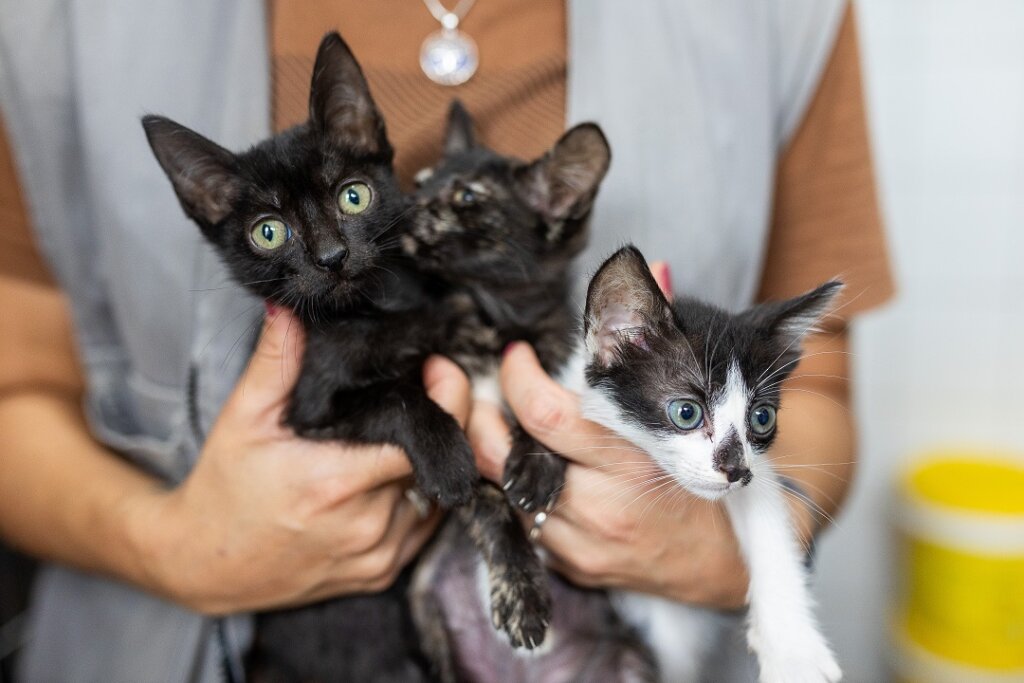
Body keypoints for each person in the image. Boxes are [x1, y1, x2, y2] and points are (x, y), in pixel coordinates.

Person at [0, 0, 892, 680]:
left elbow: (813, 394)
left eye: (355, 199)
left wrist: (723, 550)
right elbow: (16, 387)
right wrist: (173, 547)